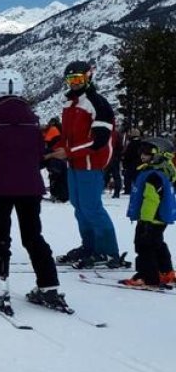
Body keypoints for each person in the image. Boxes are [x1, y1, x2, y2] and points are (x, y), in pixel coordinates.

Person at [0, 69, 67, 313]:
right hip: (30, 186)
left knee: (0, 235)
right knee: (33, 235)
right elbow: (39, 155)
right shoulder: (32, 118)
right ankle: (49, 285)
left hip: (0, 186)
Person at [51, 61, 123, 268]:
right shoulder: (70, 104)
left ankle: (108, 252)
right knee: (79, 207)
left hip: (91, 164)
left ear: (88, 77)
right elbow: (66, 136)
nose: (74, 83)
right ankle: (89, 247)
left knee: (92, 208)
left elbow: (99, 139)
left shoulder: (97, 103)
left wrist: (69, 152)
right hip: (74, 164)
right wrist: (53, 150)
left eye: (78, 79)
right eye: (70, 80)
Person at [122, 137, 176, 288]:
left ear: (159, 154)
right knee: (157, 244)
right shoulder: (162, 171)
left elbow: (151, 200)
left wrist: (145, 221)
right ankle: (166, 272)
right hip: (159, 219)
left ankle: (148, 277)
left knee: (143, 246)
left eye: (147, 153)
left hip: (151, 218)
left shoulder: (153, 175)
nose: (142, 156)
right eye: (141, 152)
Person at [42, 118, 68, 202]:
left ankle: (57, 195)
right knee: (61, 176)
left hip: (54, 155)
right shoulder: (61, 130)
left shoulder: (53, 130)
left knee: (54, 175)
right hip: (61, 155)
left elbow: (47, 141)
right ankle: (62, 195)